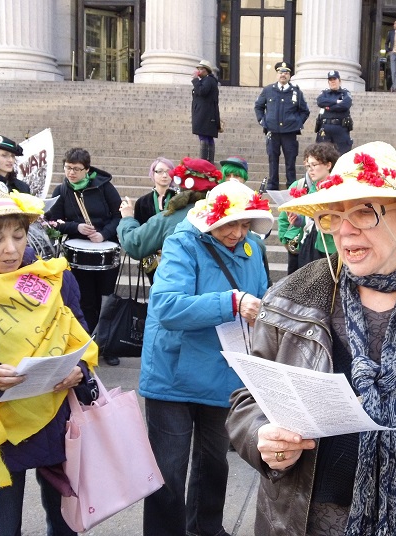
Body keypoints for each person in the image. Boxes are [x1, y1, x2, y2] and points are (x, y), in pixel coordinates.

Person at [228, 141, 396, 536]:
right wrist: (262, 436)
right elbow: (248, 399)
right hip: (306, 523)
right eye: (334, 216)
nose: (345, 229)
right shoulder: (290, 299)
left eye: (364, 212)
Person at [140, 179, 273, 536]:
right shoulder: (182, 242)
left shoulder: (252, 248)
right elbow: (166, 306)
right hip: (174, 372)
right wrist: (231, 302)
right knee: (168, 469)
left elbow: (260, 296)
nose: (238, 232)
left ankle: (207, 528)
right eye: (231, 223)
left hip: (224, 371)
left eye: (246, 224)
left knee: (214, 462)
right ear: (211, 219)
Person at [0, 183, 99, 536]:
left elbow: (79, 333)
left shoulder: (51, 279)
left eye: (19, 235)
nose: (11, 249)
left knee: (65, 522)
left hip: (54, 419)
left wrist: (78, 370)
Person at [45, 147, 122, 339]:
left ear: (87, 169)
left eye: (76, 169)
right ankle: (88, 340)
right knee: (85, 300)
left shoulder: (104, 187)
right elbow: (53, 222)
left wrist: (104, 234)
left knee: (105, 298)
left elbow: (120, 215)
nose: (71, 172)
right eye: (68, 167)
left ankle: (106, 342)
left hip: (105, 249)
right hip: (78, 253)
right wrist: (75, 227)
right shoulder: (62, 190)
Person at [118, 157, 225, 283]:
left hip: (179, 288)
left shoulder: (169, 218)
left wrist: (128, 218)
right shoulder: (227, 214)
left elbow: (134, 244)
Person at [278, 143, 339, 274]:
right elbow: (308, 219)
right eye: (308, 166)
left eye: (314, 165)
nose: (310, 170)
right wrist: (299, 221)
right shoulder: (313, 187)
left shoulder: (339, 188)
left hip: (331, 247)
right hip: (311, 243)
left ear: (328, 165)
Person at [254, 61, 310, 190]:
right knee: (273, 159)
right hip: (272, 131)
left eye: (286, 72)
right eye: (280, 72)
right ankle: (273, 184)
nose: (283, 75)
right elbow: (259, 106)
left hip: (289, 132)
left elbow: (305, 111)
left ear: (290, 75)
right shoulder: (268, 90)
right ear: (277, 74)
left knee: (290, 160)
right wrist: (262, 120)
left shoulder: (296, 92)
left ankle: (291, 185)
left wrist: (297, 122)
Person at [316, 70, 353, 155]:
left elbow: (345, 105)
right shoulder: (324, 93)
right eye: (330, 80)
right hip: (325, 128)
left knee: (342, 156)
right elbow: (320, 102)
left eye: (334, 79)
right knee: (322, 156)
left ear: (339, 81)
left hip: (341, 128)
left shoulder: (345, 93)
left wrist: (328, 107)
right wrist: (337, 101)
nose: (332, 81)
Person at [192, 59, 221, 163]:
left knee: (205, 136)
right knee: (206, 136)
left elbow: (202, 91)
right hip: (204, 114)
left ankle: (205, 160)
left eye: (200, 69)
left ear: (206, 70)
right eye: (198, 69)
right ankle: (207, 160)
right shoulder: (206, 81)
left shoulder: (208, 80)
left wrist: (195, 80)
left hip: (205, 115)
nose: (198, 71)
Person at [133, 157, 177, 225]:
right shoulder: (142, 202)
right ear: (153, 174)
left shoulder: (180, 198)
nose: (165, 175)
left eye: (168, 171)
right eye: (160, 171)